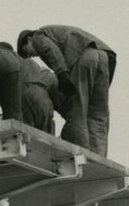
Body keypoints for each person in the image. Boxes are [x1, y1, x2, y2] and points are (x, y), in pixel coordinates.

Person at [16, 25, 117, 155]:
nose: (32, 56)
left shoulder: (38, 36)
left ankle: (83, 155)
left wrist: (61, 73)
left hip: (83, 57)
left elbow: (49, 49)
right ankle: (99, 157)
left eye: (28, 52)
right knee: (97, 116)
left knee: (77, 113)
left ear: (29, 39)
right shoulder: (58, 33)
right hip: (104, 57)